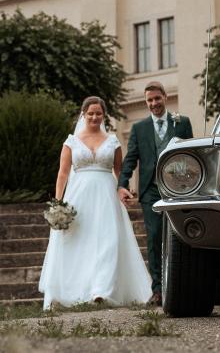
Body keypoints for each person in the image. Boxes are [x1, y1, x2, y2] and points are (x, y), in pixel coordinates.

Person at [38, 96, 151, 309]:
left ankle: (102, 290)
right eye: (90, 113)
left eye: (98, 113)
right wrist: (57, 202)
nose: (94, 117)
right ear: (84, 114)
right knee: (77, 241)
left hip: (106, 196)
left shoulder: (113, 141)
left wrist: (123, 189)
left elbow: (119, 171)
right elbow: (62, 174)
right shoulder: (71, 141)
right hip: (78, 197)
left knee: (109, 241)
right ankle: (73, 290)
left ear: (103, 115)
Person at [118, 81, 193, 306]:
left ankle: (183, 284)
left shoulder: (182, 122)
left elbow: (191, 153)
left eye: (157, 99)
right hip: (150, 190)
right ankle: (158, 289)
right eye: (149, 100)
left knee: (182, 235)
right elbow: (131, 158)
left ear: (165, 97)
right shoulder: (139, 128)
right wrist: (122, 183)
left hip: (178, 189)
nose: (153, 104)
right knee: (153, 238)